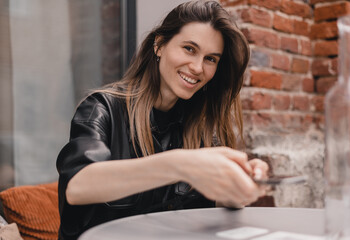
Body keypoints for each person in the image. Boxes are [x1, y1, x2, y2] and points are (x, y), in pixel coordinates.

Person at [56, 1, 269, 239]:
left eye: (211, 59)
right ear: (159, 45)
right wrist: (180, 164)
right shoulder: (102, 108)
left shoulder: (200, 127)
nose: (198, 67)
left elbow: (214, 205)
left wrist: (237, 187)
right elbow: (77, 187)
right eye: (189, 48)